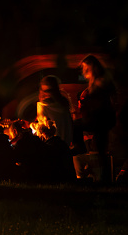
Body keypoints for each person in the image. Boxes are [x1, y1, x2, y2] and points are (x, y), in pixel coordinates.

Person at [74, 55, 117, 183]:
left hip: (101, 119)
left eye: (86, 68)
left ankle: (104, 179)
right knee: (100, 148)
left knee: (78, 126)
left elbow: (106, 97)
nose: (84, 71)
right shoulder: (94, 82)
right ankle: (103, 178)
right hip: (99, 119)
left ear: (93, 67)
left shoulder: (100, 81)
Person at [37, 75, 74, 147]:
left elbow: (42, 129)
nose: (45, 94)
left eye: (47, 91)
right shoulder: (64, 103)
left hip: (53, 145)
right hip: (66, 143)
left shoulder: (43, 106)